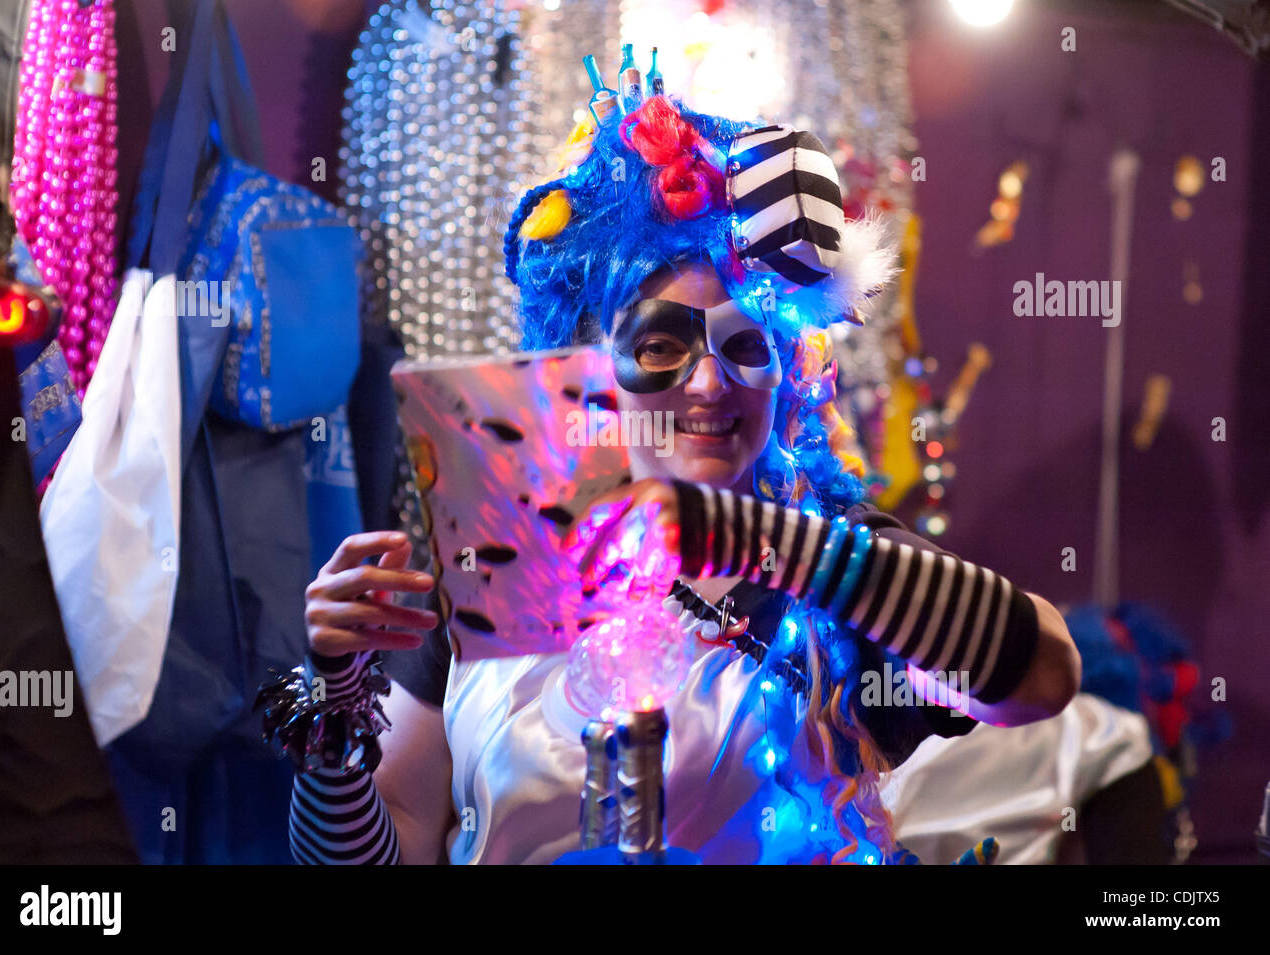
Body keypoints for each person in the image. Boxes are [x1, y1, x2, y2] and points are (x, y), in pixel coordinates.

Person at [267, 92, 1080, 865]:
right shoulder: (497, 542)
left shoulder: (839, 563)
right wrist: (340, 696)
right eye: (662, 344)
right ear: (590, 356)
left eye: (747, 342)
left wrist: (757, 540)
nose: (708, 382)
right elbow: (394, 839)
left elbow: (1042, 673)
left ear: (787, 367)